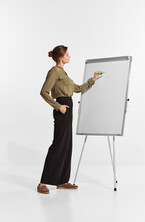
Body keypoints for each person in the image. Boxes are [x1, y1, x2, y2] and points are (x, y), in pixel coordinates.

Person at [37, 45, 102, 194]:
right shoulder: (54, 71)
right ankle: (42, 183)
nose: (69, 56)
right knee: (58, 144)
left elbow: (77, 88)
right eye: (67, 54)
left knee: (67, 144)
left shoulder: (64, 74)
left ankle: (62, 181)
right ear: (60, 58)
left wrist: (93, 80)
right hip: (62, 109)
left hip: (68, 108)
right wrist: (58, 106)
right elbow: (44, 92)